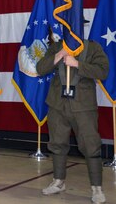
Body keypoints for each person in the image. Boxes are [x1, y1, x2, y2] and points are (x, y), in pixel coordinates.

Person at [36, 32, 109, 203]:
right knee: (57, 144)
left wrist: (77, 64)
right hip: (57, 104)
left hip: (83, 106)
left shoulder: (92, 47)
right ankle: (59, 181)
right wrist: (59, 55)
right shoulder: (56, 46)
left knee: (91, 145)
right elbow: (40, 68)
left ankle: (96, 188)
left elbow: (103, 71)